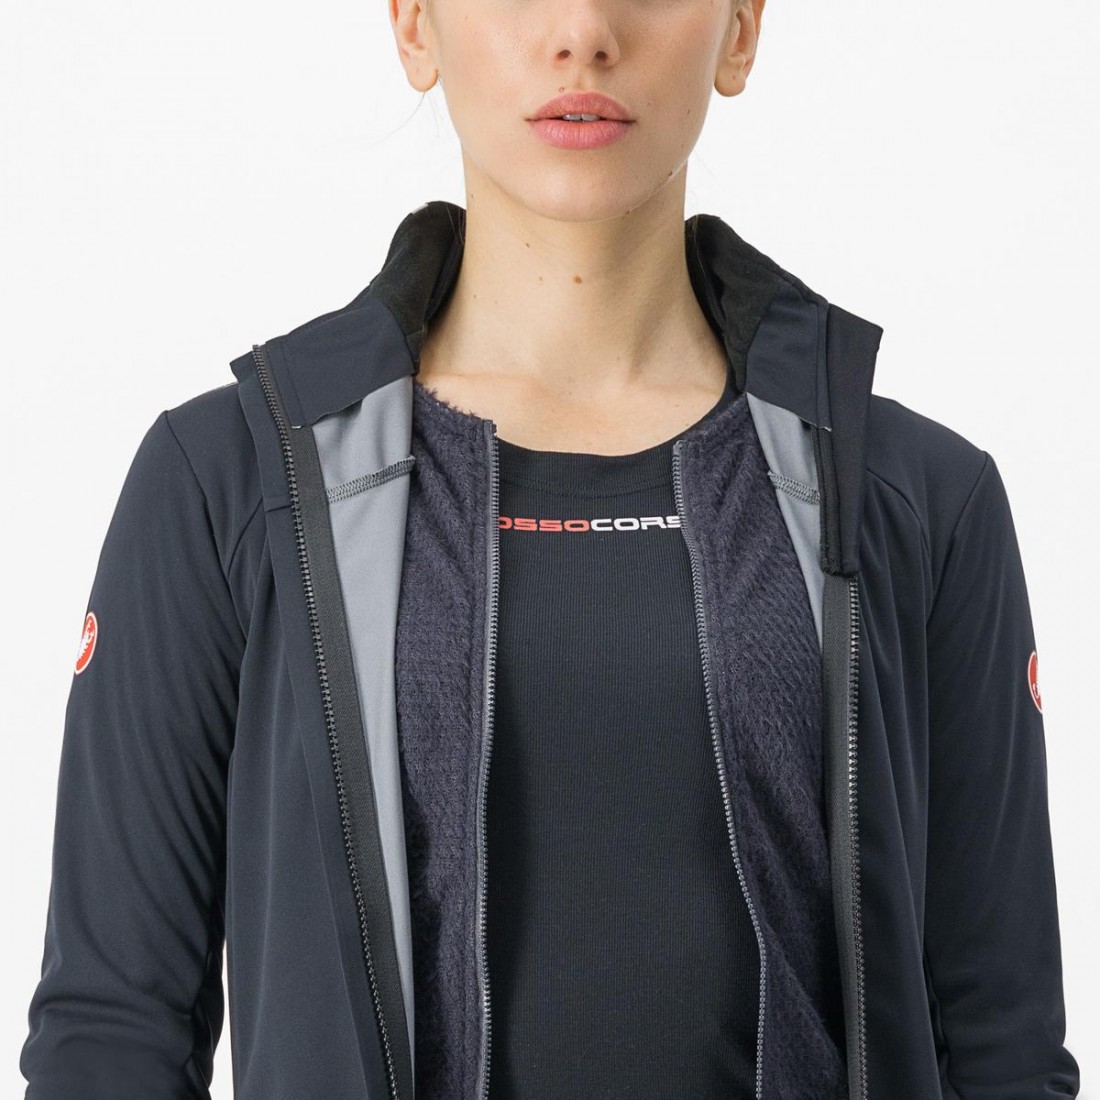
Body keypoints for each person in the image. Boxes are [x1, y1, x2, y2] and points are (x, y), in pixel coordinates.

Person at [20, 0, 1081, 1097]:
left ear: (739, 30)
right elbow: (111, 1034)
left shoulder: (917, 500)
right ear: (414, 26)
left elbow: (998, 1045)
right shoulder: (231, 485)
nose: (583, 30)